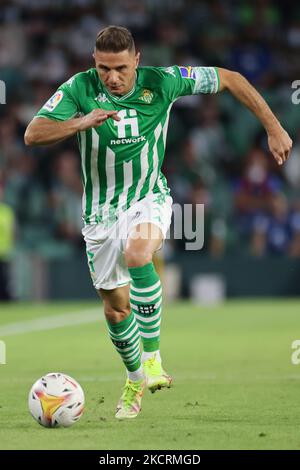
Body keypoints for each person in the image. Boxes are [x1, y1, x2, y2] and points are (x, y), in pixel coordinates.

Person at [24, 25, 292, 420]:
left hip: (150, 197)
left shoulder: (163, 82)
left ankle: (153, 361)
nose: (111, 77)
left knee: (138, 253)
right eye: (103, 68)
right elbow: (33, 133)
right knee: (116, 311)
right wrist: (79, 123)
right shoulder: (79, 88)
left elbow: (230, 79)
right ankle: (134, 379)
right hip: (99, 215)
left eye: (119, 68)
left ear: (137, 60)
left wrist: (273, 126)